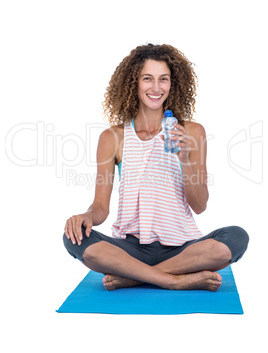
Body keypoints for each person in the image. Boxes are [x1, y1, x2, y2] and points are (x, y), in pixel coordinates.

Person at [63, 43, 249, 292]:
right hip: (130, 249)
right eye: (147, 79)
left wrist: (184, 158)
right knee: (73, 238)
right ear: (134, 83)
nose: (156, 87)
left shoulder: (192, 132)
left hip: (183, 248)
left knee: (236, 237)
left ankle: (135, 277)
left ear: (173, 84)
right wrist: (86, 216)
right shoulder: (113, 137)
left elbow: (200, 205)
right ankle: (174, 280)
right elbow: (100, 207)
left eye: (164, 79)